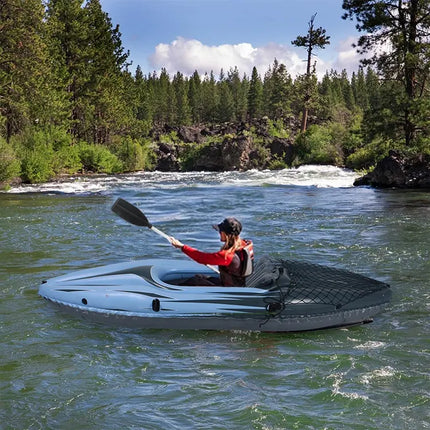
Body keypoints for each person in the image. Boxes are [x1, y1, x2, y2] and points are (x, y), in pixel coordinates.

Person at [169, 217, 254, 286]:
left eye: (220, 231)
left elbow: (201, 258)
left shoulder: (227, 256)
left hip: (229, 290)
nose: (219, 233)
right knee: (199, 277)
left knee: (194, 281)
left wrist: (182, 246)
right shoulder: (244, 244)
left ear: (225, 234)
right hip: (239, 284)